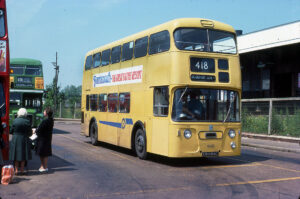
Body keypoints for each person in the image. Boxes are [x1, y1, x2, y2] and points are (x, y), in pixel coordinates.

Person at [9, 108, 32, 175]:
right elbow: (30, 133)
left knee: (16, 155)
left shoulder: (15, 121)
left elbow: (11, 131)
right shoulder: (27, 121)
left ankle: (16, 170)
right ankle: (22, 170)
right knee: (23, 155)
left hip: (15, 139)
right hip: (24, 139)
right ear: (25, 113)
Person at [35, 107, 54, 173]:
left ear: (47, 113)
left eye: (44, 111)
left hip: (42, 139)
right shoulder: (51, 120)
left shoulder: (45, 121)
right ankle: (43, 166)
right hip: (47, 138)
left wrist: (35, 130)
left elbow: (39, 130)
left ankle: (44, 167)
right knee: (44, 153)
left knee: (43, 153)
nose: (43, 112)